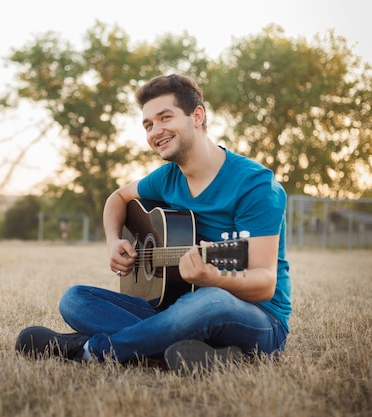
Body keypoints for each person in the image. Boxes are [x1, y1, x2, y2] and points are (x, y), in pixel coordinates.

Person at [15, 73, 291, 372]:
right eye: (148, 125)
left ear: (196, 116)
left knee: (211, 302)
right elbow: (118, 198)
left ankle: (88, 350)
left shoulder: (255, 185)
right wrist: (113, 240)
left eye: (165, 118)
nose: (155, 131)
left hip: (259, 319)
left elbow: (264, 284)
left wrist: (213, 278)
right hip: (178, 308)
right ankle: (199, 352)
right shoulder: (168, 177)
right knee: (76, 299)